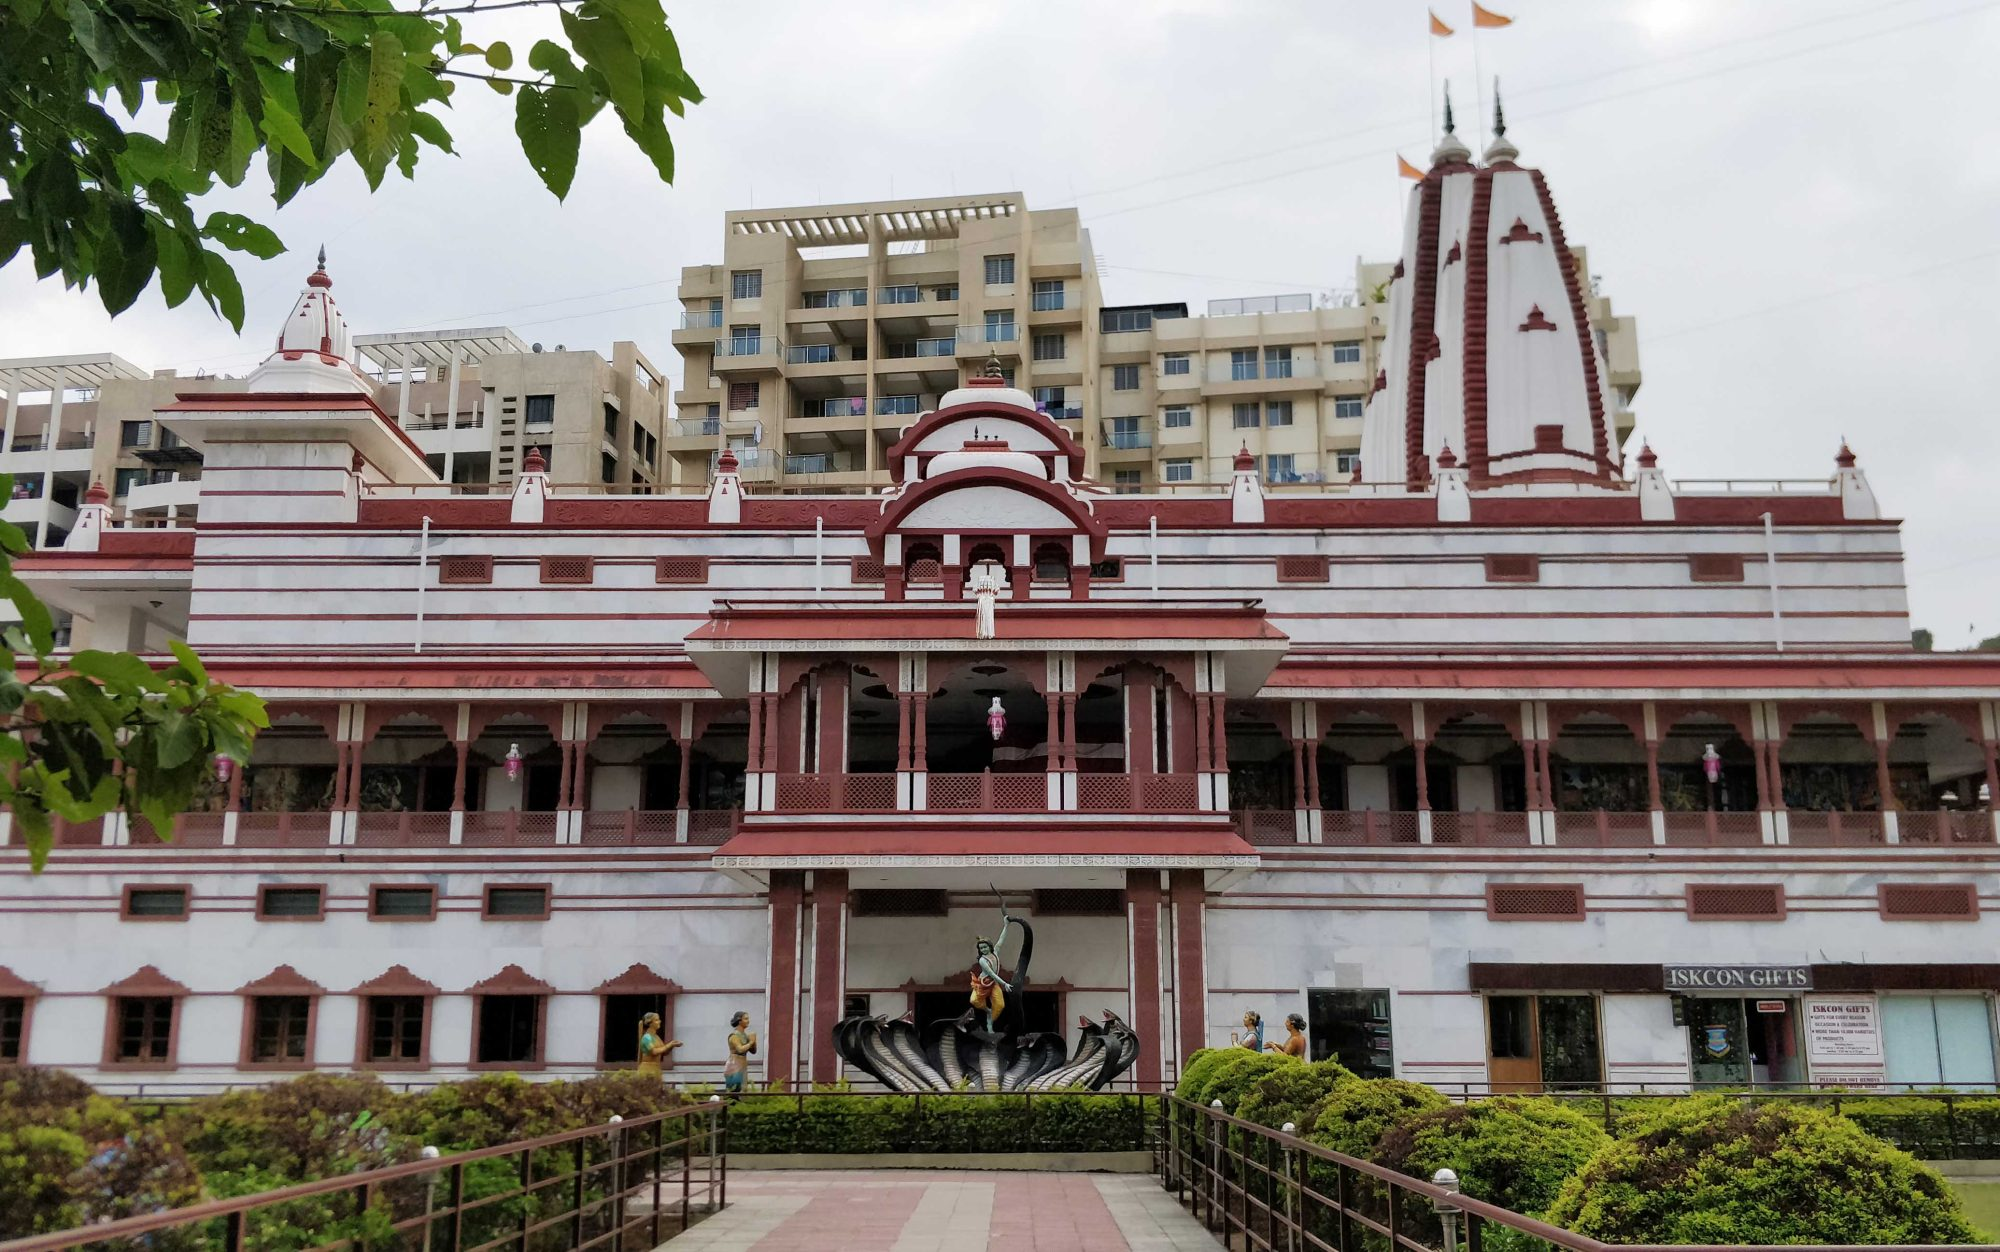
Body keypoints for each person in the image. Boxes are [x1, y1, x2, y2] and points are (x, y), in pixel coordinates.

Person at [635, 1012, 681, 1078]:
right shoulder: (646, 1037)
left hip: (656, 1069)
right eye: (656, 1020)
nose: (659, 1021)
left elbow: (664, 1052)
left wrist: (672, 1045)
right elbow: (654, 1051)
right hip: (647, 1070)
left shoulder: (656, 1037)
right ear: (650, 1023)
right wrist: (669, 1045)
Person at [723, 1011, 756, 1093]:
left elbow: (753, 1051)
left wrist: (754, 1042)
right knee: (735, 1089)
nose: (748, 1021)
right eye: (746, 1019)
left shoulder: (745, 1035)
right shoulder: (734, 1036)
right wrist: (751, 1042)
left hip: (742, 1064)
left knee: (743, 1089)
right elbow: (740, 1049)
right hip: (734, 1064)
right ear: (739, 1021)